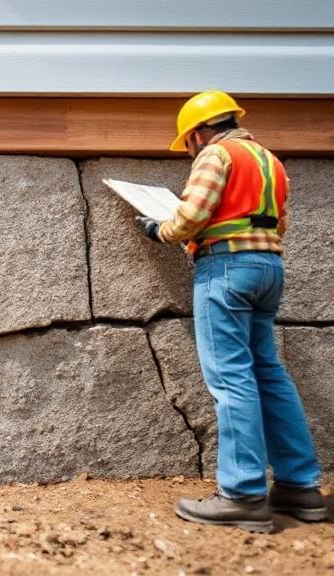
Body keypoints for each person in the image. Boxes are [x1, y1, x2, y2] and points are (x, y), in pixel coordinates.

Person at [136, 90, 326, 533]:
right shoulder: (271, 162)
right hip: (268, 268)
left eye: (187, 142)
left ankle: (241, 494)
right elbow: (280, 223)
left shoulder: (215, 155)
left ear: (198, 133)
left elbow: (191, 216)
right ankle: (301, 488)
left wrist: (159, 230)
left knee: (230, 376)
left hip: (225, 269)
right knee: (268, 373)